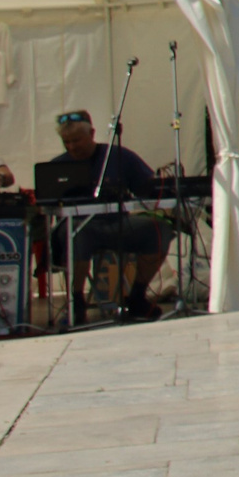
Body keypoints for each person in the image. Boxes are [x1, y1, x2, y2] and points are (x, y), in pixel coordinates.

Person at [48, 109, 173, 321]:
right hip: (77, 227)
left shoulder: (119, 157)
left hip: (117, 223)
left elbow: (149, 186)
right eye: (66, 142)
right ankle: (75, 302)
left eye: (77, 140)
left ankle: (137, 297)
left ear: (92, 134)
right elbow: (47, 203)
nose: (72, 147)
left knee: (158, 230)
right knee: (78, 234)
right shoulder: (56, 166)